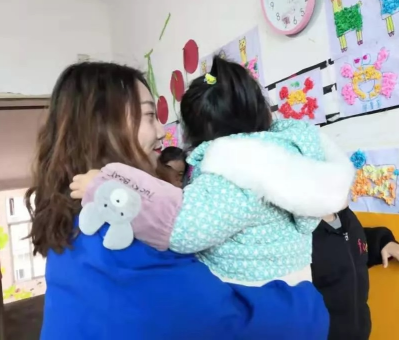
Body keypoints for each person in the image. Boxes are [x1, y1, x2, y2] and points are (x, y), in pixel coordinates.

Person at [26, 61, 329, 340]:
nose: (162, 132)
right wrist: (309, 300)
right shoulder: (116, 226)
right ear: (102, 125)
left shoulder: (72, 221)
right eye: (149, 116)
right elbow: (227, 322)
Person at [72, 56, 354, 286]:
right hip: (290, 283)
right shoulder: (283, 153)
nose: (162, 131)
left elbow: (181, 229)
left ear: (198, 135)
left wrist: (107, 189)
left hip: (250, 288)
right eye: (150, 117)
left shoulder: (235, 170)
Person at [312, 208, 399, 340]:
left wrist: (383, 242)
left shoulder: (346, 216)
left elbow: (350, 244)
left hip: (358, 330)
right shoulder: (299, 234)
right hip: (320, 332)